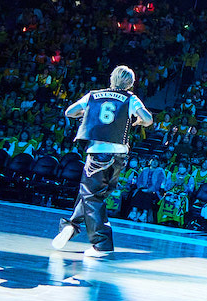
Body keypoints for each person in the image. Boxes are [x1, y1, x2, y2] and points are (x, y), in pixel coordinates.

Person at [52, 65, 153, 257]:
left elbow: (69, 112)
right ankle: (72, 225)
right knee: (92, 194)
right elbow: (148, 119)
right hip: (119, 156)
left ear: (112, 78)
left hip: (98, 153)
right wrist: (140, 121)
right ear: (130, 83)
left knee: (92, 196)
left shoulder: (94, 95)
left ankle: (102, 243)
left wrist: (88, 113)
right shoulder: (131, 98)